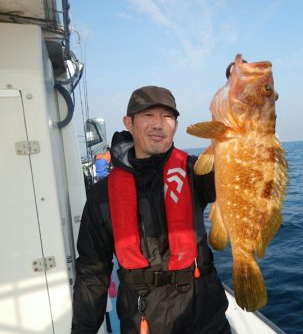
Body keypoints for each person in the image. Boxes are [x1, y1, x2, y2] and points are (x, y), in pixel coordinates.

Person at [71, 86, 231, 334]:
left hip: (206, 314)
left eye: (167, 117)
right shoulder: (102, 196)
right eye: (148, 115)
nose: (158, 124)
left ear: (175, 125)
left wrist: (252, 114)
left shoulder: (195, 172)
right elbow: (92, 273)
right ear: (129, 123)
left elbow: (241, 176)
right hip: (143, 318)